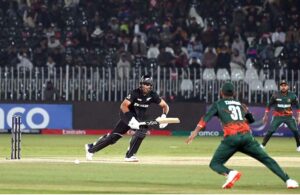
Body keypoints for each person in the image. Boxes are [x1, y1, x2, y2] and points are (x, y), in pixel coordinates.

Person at [185, 81, 299, 189]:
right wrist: (246, 114)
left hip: (231, 138)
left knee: (215, 164)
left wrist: (195, 132)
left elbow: (205, 118)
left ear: (221, 93)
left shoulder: (218, 104)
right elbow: (251, 120)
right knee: (266, 159)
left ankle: (231, 173)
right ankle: (289, 181)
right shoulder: (240, 104)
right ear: (234, 93)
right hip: (247, 137)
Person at [85, 75, 169, 162]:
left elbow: (165, 106)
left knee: (118, 136)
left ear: (151, 86)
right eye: (143, 84)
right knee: (132, 132)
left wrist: (164, 116)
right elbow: (123, 106)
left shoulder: (153, 95)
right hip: (126, 115)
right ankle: (92, 151)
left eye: (147, 84)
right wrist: (131, 119)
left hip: (137, 118)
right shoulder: (135, 93)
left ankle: (92, 148)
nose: (144, 86)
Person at [261, 79, 300, 151]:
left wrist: (298, 116)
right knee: (271, 131)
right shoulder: (275, 95)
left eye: (285, 85)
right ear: (280, 87)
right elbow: (269, 105)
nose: (283, 87)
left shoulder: (292, 95)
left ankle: (298, 146)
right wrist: (265, 115)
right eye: (282, 86)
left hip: (289, 117)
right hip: (277, 116)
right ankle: (262, 145)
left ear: (288, 87)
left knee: (295, 130)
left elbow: (298, 106)